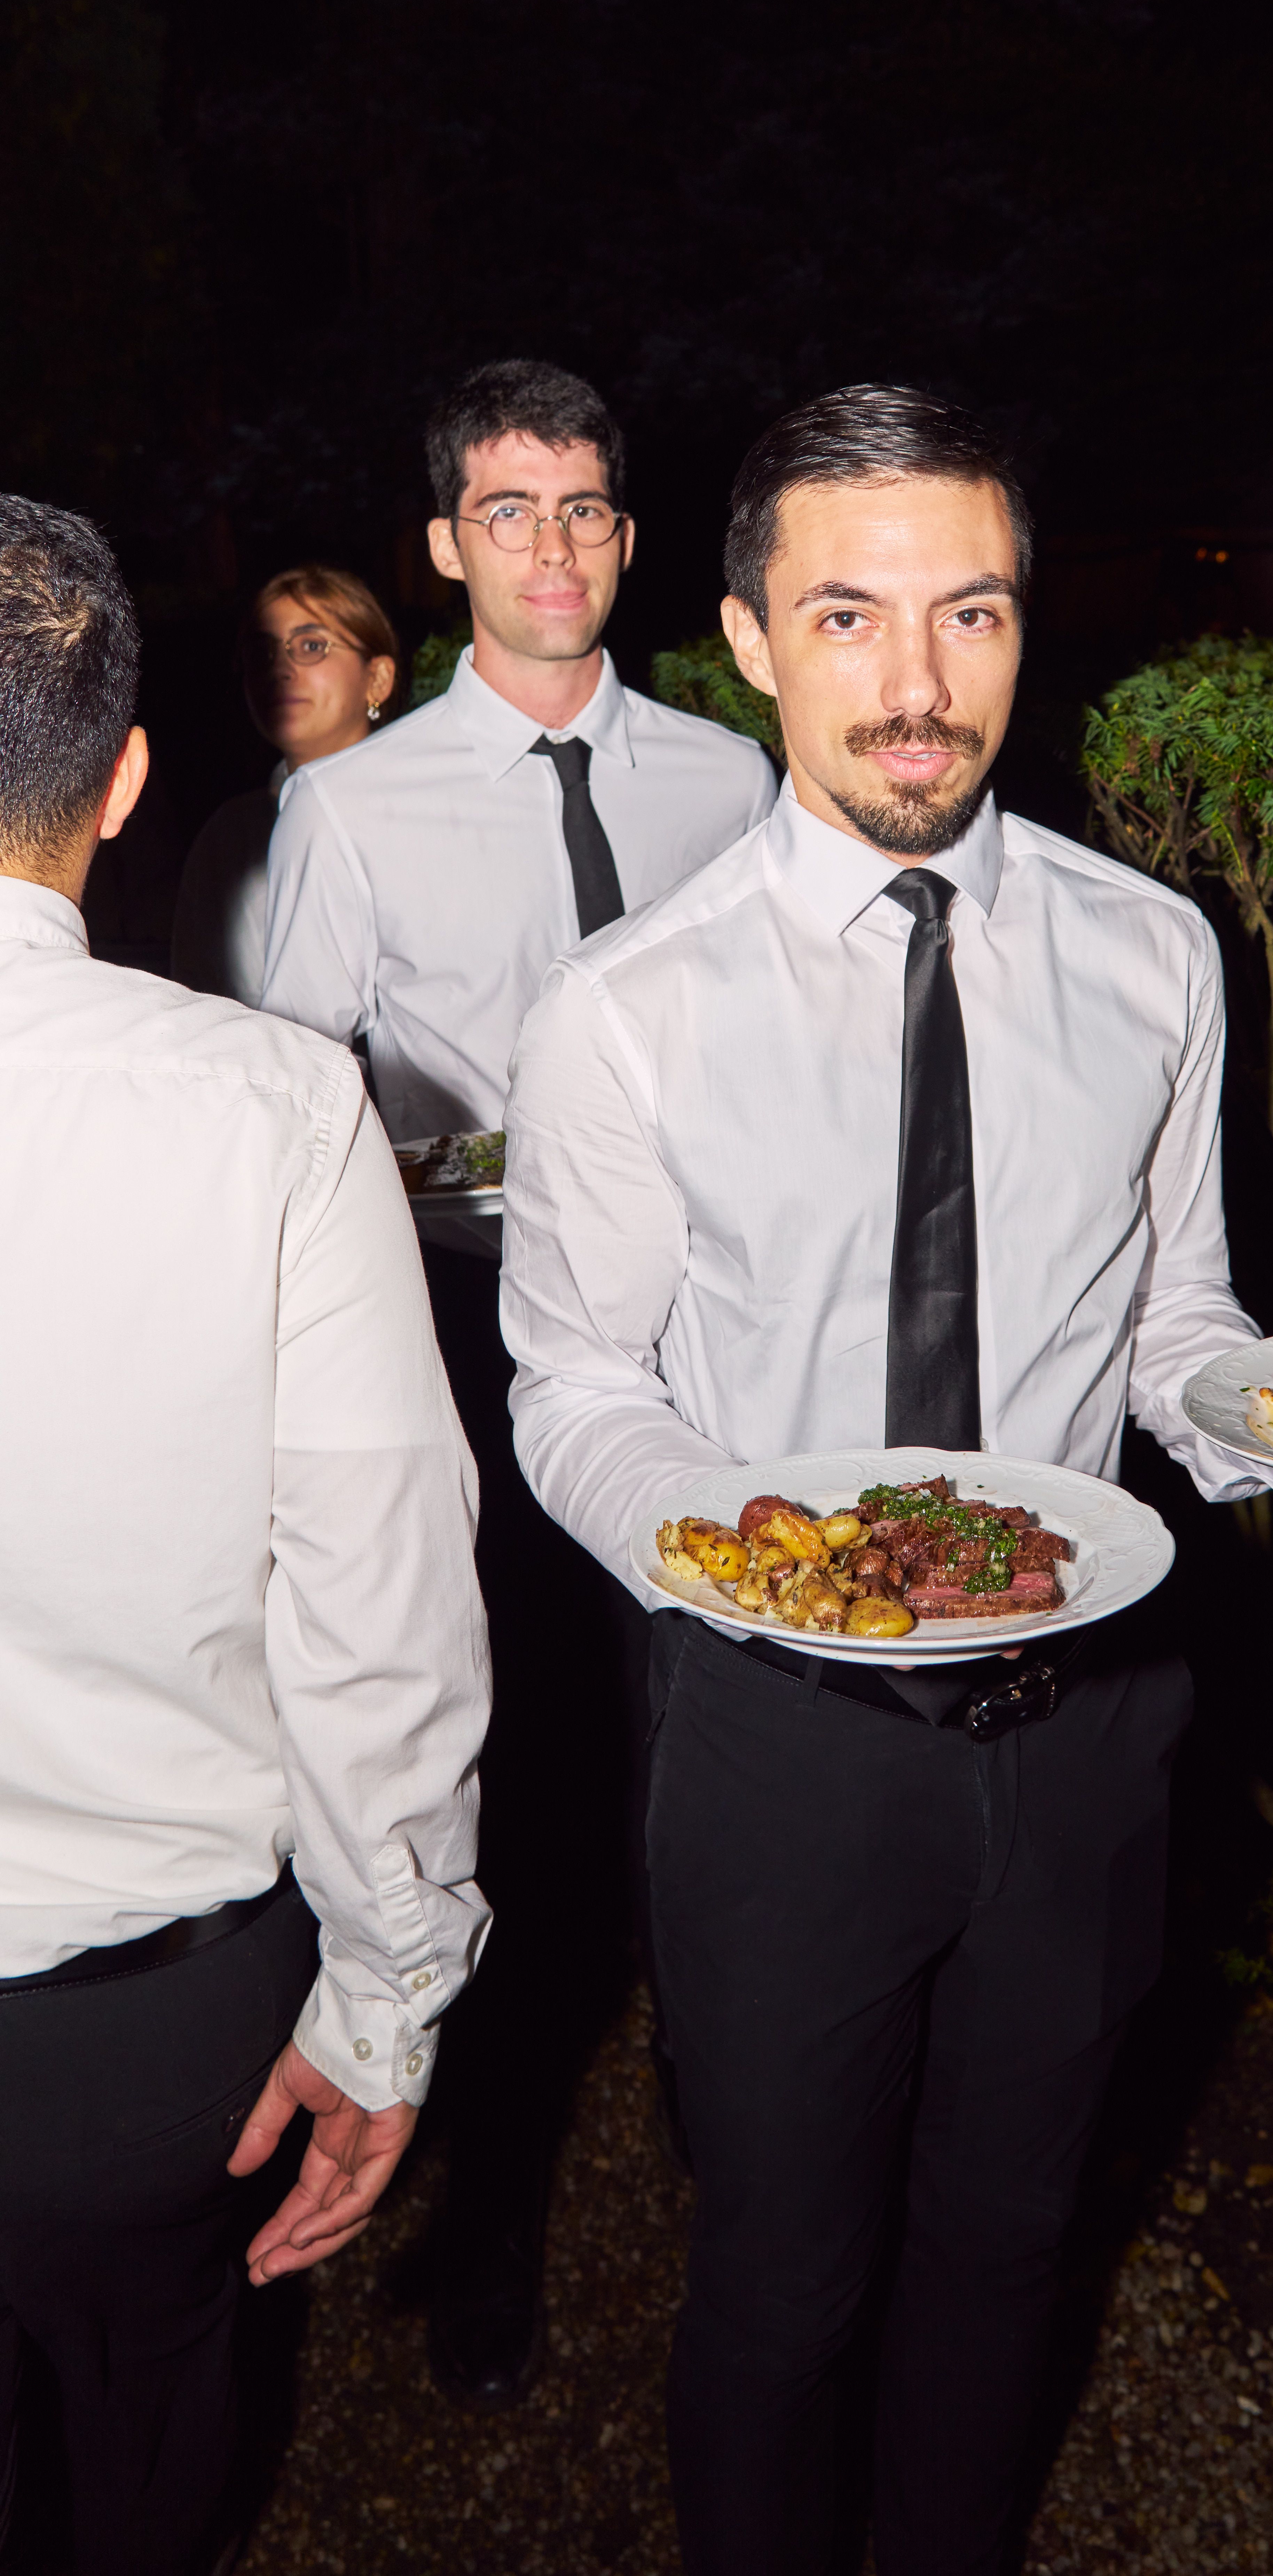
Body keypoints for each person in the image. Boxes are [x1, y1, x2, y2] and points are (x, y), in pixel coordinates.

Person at [498, 382, 1273, 2576]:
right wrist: (775, 1569)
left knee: (1011, 2248)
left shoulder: (1153, 956)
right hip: (787, 1743)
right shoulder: (628, 1009)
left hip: (1091, 1732)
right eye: (850, 618)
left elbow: (1179, 1333)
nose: (919, 681)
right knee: (778, 2283)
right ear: (751, 642)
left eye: (970, 612)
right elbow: (572, 1384)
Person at [261, 358, 779, 2409]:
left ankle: (735, 2103)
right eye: (508, 508)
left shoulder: (733, 783)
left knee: (707, 1732)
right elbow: (291, 1108)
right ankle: (491, 2193)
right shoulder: (347, 805)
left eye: (583, 508)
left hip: (706, 1331)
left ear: (628, 543)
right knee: (520, 1762)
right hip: (463, 1339)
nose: (548, 545)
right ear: (445, 543)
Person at [0, 498, 490, 2576]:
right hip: (136, 2035)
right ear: (124, 781)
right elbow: (378, 1606)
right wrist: (391, 1995)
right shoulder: (278, 1107)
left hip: (137, 2015)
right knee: (133, 2448)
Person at [170, 564, 397, 1002]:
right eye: (264, 652)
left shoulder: (430, 807)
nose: (282, 669)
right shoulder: (231, 838)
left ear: (378, 678)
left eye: (311, 646)